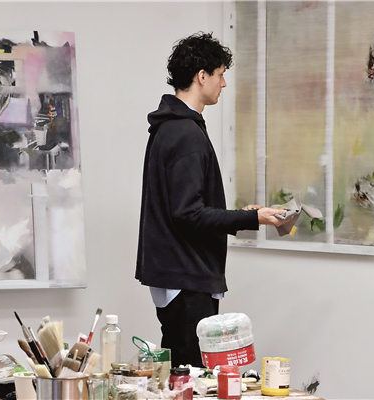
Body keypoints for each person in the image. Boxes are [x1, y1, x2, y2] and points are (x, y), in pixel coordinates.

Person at [135, 32, 285, 367]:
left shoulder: (171, 127)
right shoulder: (184, 133)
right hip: (187, 275)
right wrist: (253, 219)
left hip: (178, 273)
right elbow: (188, 213)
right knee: (193, 376)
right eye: (220, 74)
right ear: (201, 76)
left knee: (180, 373)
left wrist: (241, 214)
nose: (224, 83)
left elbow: (186, 206)